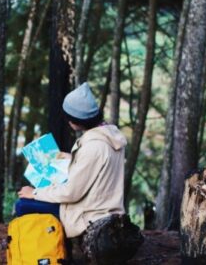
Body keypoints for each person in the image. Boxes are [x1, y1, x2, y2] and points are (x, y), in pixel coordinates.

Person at [16, 82, 127, 252]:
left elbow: (71, 193)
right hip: (102, 206)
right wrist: (71, 158)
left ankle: (45, 255)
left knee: (23, 205)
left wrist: (35, 193)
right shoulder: (109, 135)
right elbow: (98, 167)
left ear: (75, 121)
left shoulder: (93, 146)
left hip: (88, 213)